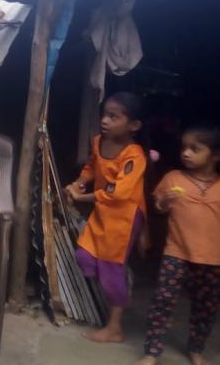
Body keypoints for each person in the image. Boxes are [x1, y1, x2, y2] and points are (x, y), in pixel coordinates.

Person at [65, 92, 148, 343]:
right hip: (103, 211)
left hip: (124, 216)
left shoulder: (135, 156)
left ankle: (114, 328)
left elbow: (118, 192)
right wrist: (79, 183)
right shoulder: (99, 141)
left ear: (133, 125)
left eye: (114, 117)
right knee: (85, 256)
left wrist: (82, 198)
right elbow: (92, 166)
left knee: (111, 267)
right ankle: (122, 281)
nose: (105, 120)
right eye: (105, 114)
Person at [136, 124, 220, 365]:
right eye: (184, 148)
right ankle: (151, 353)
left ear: (215, 155)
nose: (186, 153)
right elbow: (158, 209)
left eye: (195, 149)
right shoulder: (174, 178)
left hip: (213, 259)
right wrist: (165, 201)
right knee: (162, 301)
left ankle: (196, 349)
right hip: (177, 253)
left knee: (206, 309)